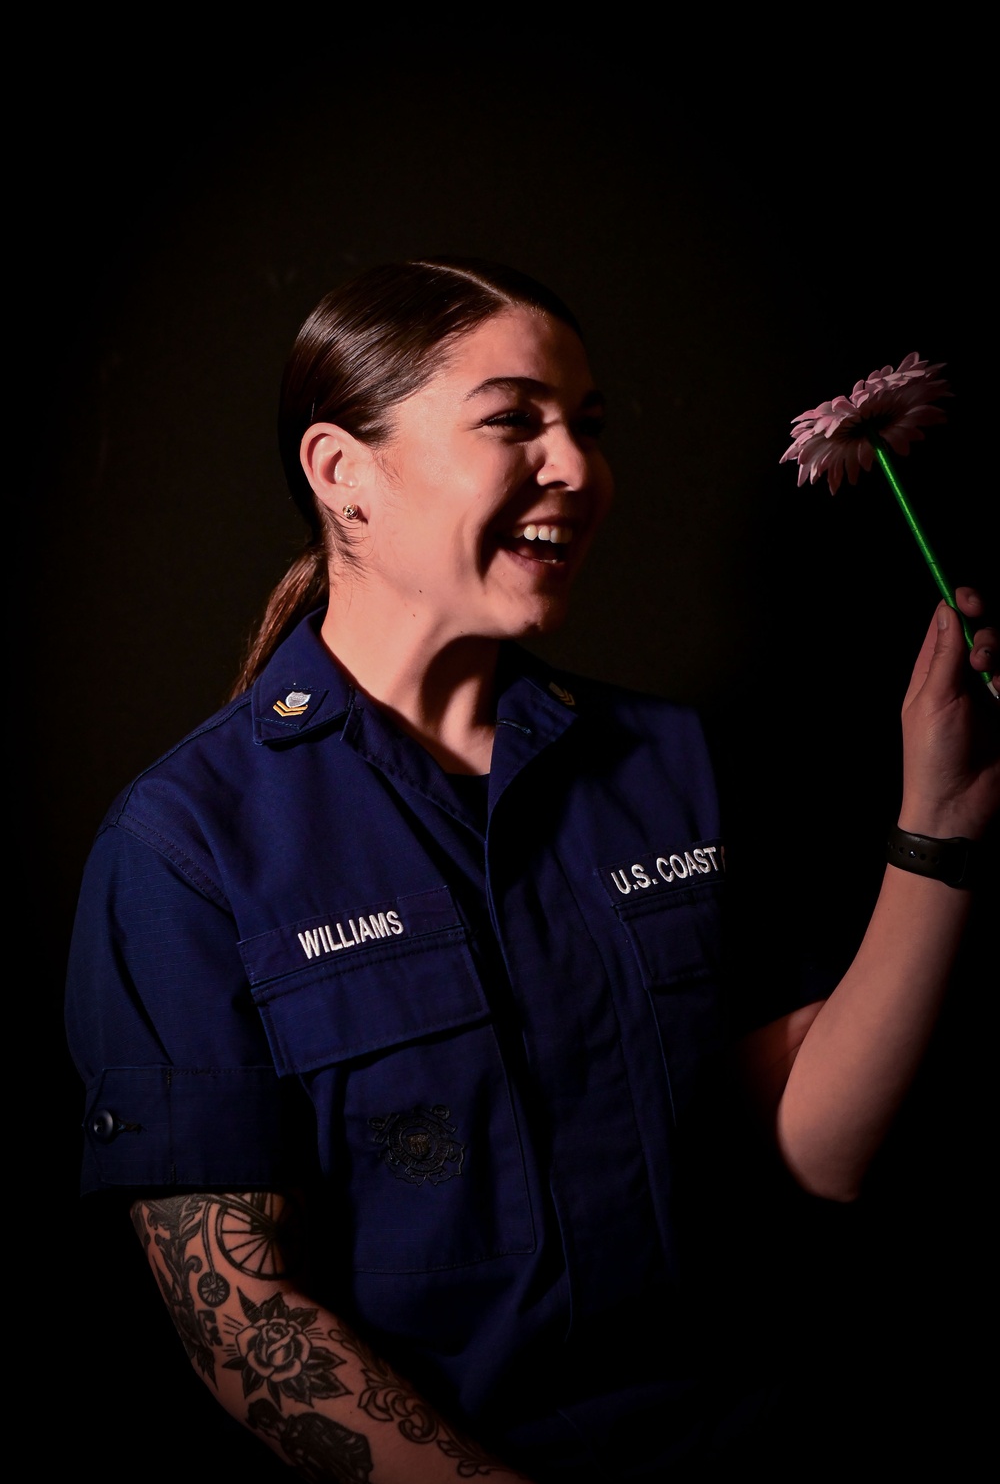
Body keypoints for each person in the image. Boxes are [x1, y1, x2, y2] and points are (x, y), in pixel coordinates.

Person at [66, 258, 998, 1482]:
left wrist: (940, 825)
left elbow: (810, 1148)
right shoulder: (187, 847)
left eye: (588, 427)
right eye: (514, 419)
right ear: (342, 473)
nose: (575, 468)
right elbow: (241, 1320)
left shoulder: (675, 764)